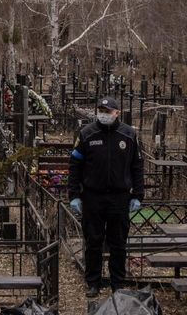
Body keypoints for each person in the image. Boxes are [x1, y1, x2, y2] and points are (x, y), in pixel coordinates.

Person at [67, 97, 144, 297]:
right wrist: (74, 194)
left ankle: (117, 282)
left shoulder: (128, 135)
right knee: (93, 241)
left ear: (116, 113)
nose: (103, 114)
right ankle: (93, 282)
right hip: (93, 197)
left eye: (107, 111)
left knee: (118, 242)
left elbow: (137, 166)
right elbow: (75, 165)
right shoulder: (87, 134)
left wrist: (138, 194)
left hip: (119, 198)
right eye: (101, 110)